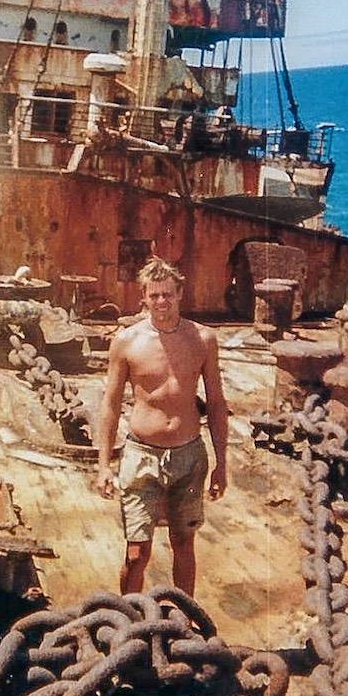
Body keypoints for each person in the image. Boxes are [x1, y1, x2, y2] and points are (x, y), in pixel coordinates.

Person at [96, 255, 227, 597]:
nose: (161, 302)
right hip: (140, 456)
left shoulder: (203, 339)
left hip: (189, 456)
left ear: (180, 293)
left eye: (167, 294)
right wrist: (103, 466)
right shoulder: (126, 341)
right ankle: (127, 617)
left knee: (184, 545)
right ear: (144, 297)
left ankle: (184, 619)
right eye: (153, 295)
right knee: (137, 553)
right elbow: (109, 405)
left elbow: (215, 403)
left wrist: (222, 465)